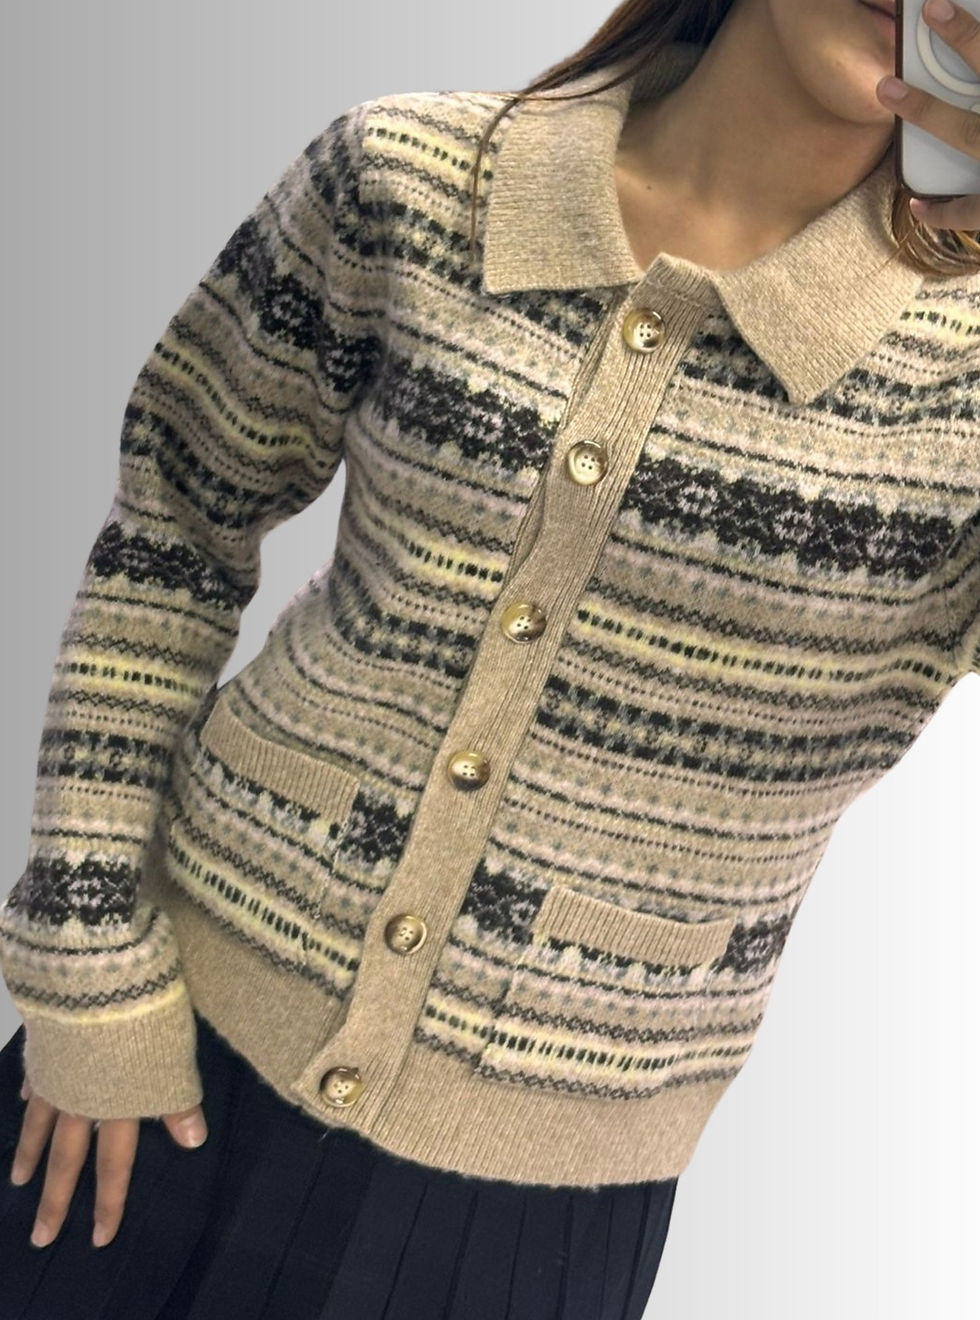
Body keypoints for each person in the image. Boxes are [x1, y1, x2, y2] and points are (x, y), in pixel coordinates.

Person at [1, 0, 978, 1316]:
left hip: (534, 1215)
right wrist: (85, 963)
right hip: (150, 1057)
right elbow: (175, 526)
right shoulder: (410, 178)